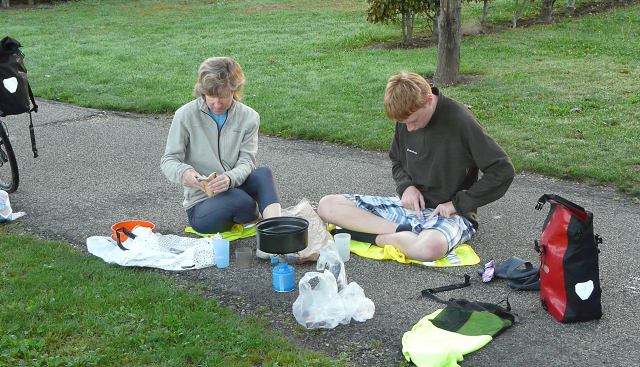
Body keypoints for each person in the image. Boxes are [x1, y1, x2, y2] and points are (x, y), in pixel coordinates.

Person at [317, 72, 515, 262]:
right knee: (327, 205)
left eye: (414, 121)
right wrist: (407, 187)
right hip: (410, 210)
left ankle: (359, 234)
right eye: (404, 123)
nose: (409, 128)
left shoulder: (461, 121)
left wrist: (458, 203)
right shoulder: (407, 117)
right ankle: (398, 232)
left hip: (448, 213)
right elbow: (397, 160)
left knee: (428, 249)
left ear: (429, 100)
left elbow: (502, 170)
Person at [161, 57, 281, 236]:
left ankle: (276, 232)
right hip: (201, 204)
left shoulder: (249, 117)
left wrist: (229, 179)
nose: (217, 104)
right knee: (243, 202)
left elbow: (247, 162)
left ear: (235, 90)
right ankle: (260, 214)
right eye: (211, 97)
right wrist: (183, 172)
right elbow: (169, 160)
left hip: (235, 188)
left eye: (223, 97)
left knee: (263, 174)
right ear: (203, 92)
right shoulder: (185, 115)